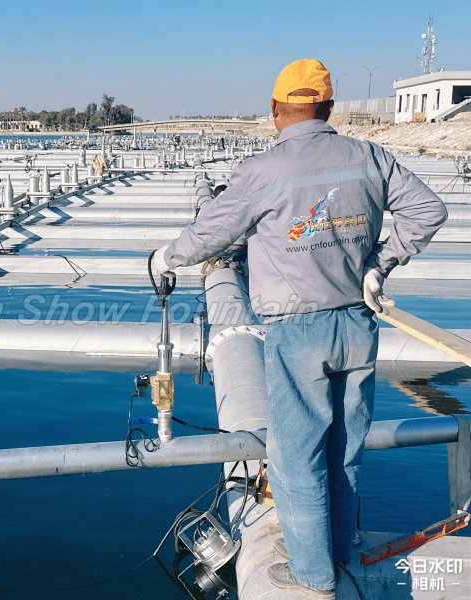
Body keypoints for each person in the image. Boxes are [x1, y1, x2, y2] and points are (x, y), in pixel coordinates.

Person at [152, 59, 447, 599]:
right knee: (345, 449)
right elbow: (429, 211)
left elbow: (213, 232)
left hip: (297, 331)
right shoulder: (369, 157)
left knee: (294, 458)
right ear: (329, 108)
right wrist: (380, 263)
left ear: (274, 110)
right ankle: (341, 551)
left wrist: (165, 256)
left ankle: (313, 574)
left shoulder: (262, 171)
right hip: (358, 326)